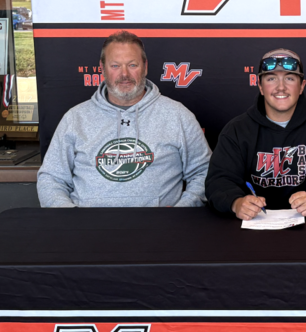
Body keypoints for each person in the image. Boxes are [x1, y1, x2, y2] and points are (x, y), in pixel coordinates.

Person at [37, 31, 211, 207]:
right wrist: (71, 220)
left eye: (132, 65)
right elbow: (51, 178)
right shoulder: (75, 118)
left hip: (160, 229)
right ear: (102, 68)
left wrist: (180, 212)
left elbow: (204, 172)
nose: (124, 74)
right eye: (115, 66)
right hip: (88, 229)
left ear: (145, 66)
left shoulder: (177, 115)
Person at [206, 49, 306, 220]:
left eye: (290, 78)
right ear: (260, 87)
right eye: (271, 79)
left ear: (302, 86)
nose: (281, 87)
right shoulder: (236, 130)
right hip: (252, 226)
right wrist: (236, 202)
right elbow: (218, 181)